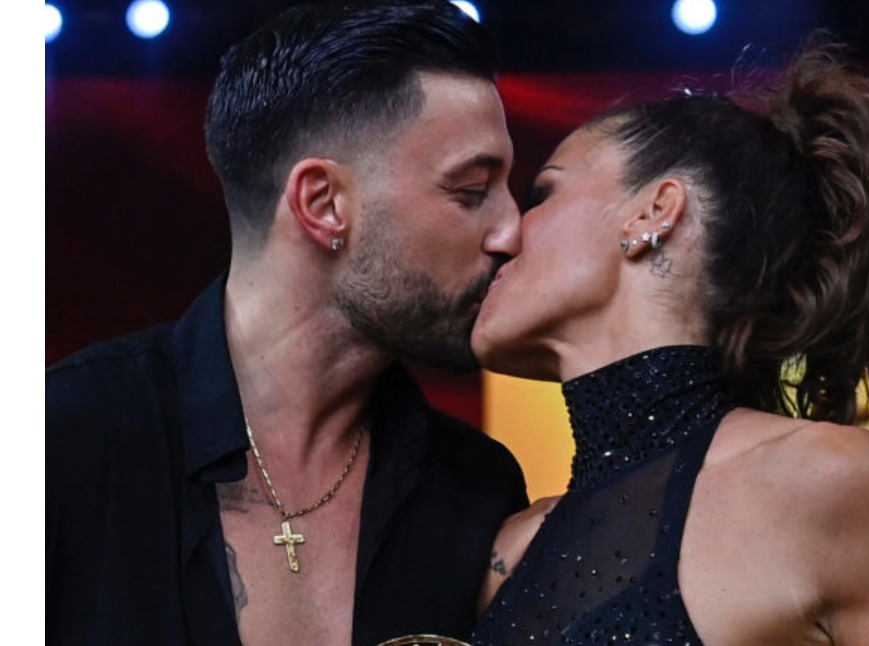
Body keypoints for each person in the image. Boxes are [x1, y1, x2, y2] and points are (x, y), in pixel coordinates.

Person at [469, 37, 869, 645]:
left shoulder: (823, 482)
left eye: (542, 194)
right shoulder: (508, 548)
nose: (503, 234)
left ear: (655, 211)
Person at [45, 1, 528, 644]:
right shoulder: (59, 440)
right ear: (323, 204)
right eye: (471, 192)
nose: (511, 231)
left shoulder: (477, 486)